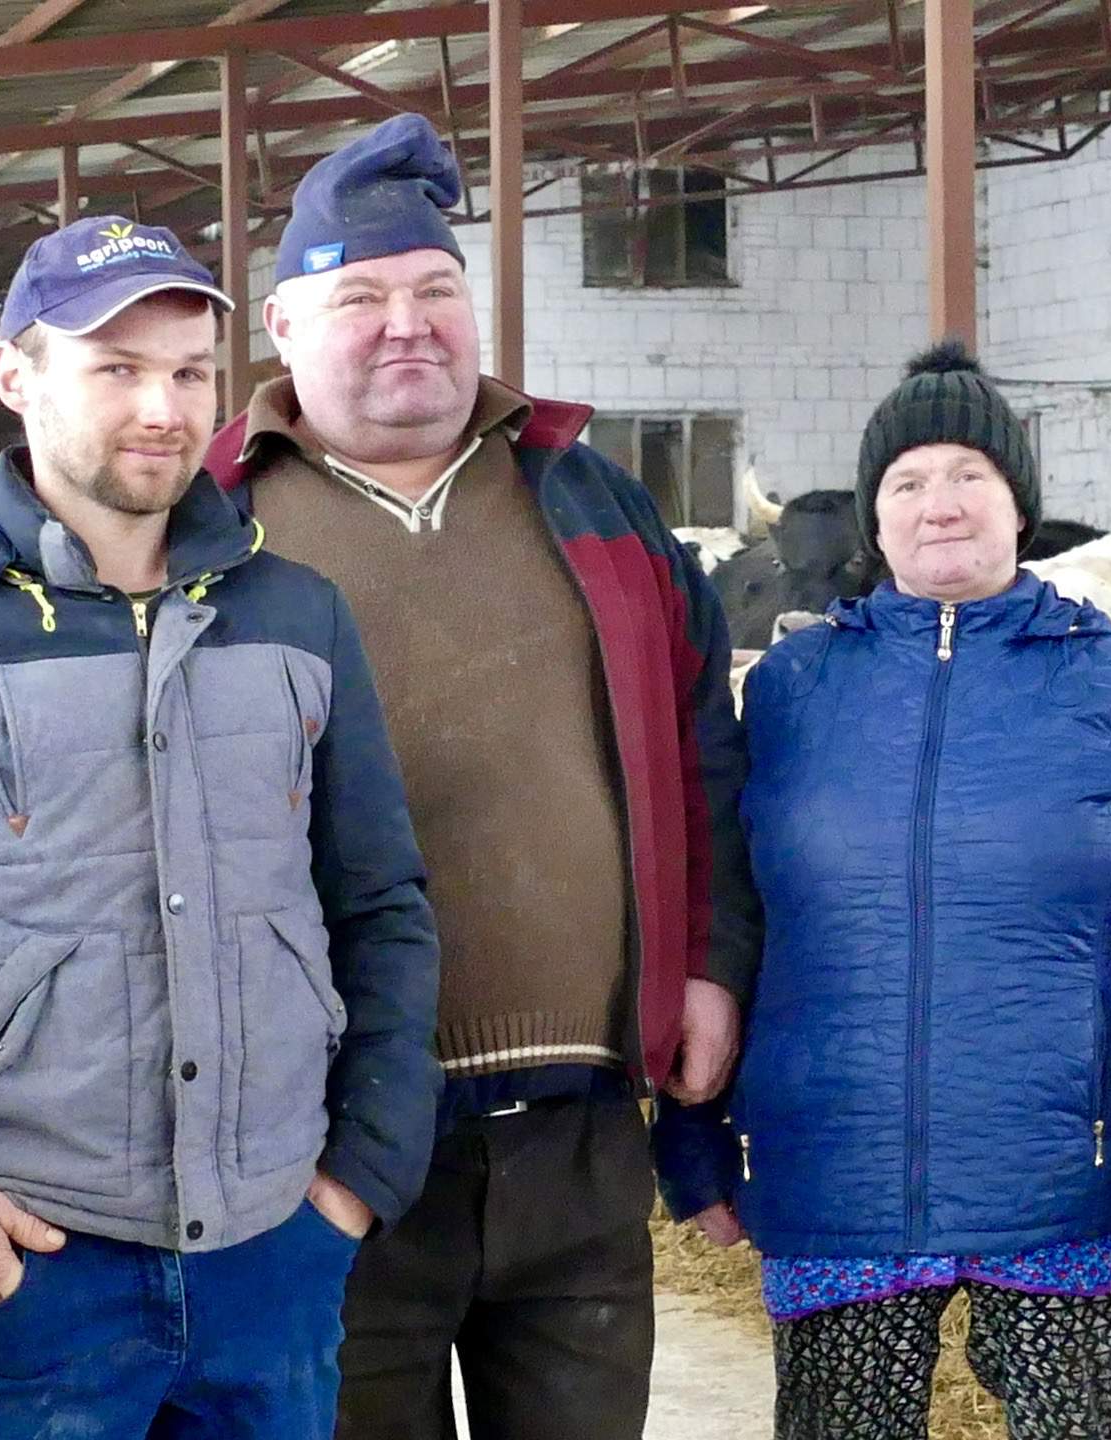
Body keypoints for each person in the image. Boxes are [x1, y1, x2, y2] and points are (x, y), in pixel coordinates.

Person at [0, 215, 442, 1439]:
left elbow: (381, 903)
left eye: (186, 371)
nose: (162, 408)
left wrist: (360, 1179)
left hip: (275, 1251)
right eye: (115, 369)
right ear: (17, 375)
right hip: (35, 1263)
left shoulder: (297, 616)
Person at [203, 114, 759, 1440]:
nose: (408, 324)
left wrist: (709, 963)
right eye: (362, 297)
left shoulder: (592, 501)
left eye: (436, 290)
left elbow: (702, 753)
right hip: (323, 1143)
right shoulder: (209, 526)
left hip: (577, 1131)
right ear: (284, 325)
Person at [655, 342, 1111, 1440]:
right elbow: (726, 921)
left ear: (1019, 504)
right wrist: (693, 1148)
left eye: (970, 475)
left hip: (1061, 1188)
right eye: (908, 481)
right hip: (834, 1179)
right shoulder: (795, 688)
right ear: (876, 520)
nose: (941, 504)